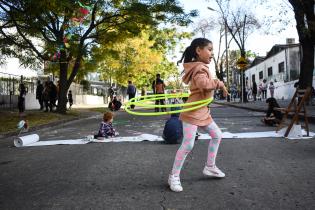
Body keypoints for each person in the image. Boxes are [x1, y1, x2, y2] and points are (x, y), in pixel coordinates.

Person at [168, 38, 228, 192]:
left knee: (217, 135)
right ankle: (173, 176)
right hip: (193, 112)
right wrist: (219, 84)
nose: (212, 53)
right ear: (198, 50)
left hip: (202, 111)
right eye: (209, 49)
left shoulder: (199, 67)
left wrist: (217, 82)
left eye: (212, 50)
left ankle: (210, 166)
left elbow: (205, 82)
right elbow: (203, 84)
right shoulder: (200, 68)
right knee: (188, 144)